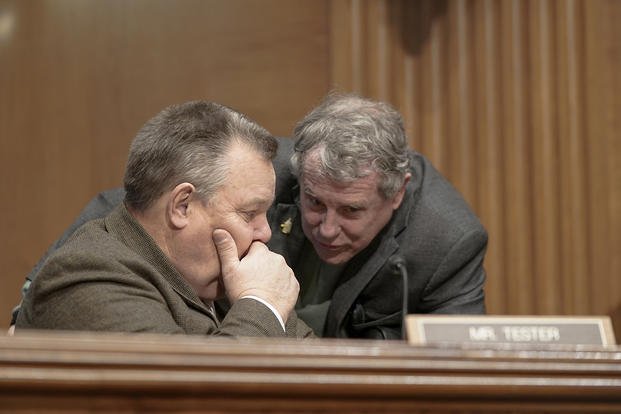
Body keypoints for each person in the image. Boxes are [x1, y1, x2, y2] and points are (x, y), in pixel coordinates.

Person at [12, 93, 487, 340]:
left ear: (397, 194)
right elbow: (125, 211)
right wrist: (28, 312)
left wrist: (261, 308)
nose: (324, 226)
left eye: (352, 210)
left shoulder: (447, 237)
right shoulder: (264, 174)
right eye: (314, 203)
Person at [14, 101, 314, 338]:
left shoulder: (227, 274)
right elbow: (189, 399)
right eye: (249, 213)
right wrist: (261, 304)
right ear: (182, 206)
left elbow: (324, 384)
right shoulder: (86, 275)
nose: (264, 232)